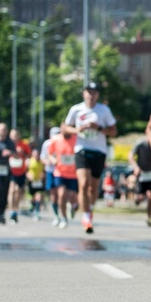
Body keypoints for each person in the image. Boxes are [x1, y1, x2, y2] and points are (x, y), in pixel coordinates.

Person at [63, 81, 118, 234]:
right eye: (88, 92)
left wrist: (98, 127)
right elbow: (65, 128)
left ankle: (89, 209)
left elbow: (114, 131)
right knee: (84, 184)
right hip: (82, 149)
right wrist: (77, 129)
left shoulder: (104, 110)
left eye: (94, 92)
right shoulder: (76, 109)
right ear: (84, 94)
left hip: (99, 151)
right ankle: (86, 216)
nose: (91, 95)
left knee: (93, 187)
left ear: (97, 95)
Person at [47, 125, 78, 229]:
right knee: (61, 195)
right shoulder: (56, 139)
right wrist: (53, 160)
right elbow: (49, 153)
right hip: (60, 172)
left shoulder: (76, 139)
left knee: (72, 197)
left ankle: (72, 207)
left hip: (73, 174)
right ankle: (64, 218)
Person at [128, 137, 151, 227]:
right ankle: (137, 198)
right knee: (140, 197)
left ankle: (149, 217)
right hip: (142, 174)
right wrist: (135, 167)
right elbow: (130, 155)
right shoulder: (140, 144)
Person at [7, 128, 31, 223]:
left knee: (18, 191)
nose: (14, 137)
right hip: (10, 171)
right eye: (12, 135)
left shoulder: (23, 145)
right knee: (12, 189)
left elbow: (29, 155)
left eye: (16, 135)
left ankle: (15, 210)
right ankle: (10, 209)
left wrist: (28, 161)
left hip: (21, 171)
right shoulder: (8, 144)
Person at [26, 148, 46, 220]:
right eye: (35, 155)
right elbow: (25, 171)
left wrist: (43, 175)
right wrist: (28, 175)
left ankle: (37, 212)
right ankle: (32, 206)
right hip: (32, 182)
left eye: (37, 155)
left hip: (39, 182)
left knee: (39, 197)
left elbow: (45, 170)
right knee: (32, 198)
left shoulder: (42, 162)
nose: (36, 156)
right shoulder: (29, 162)